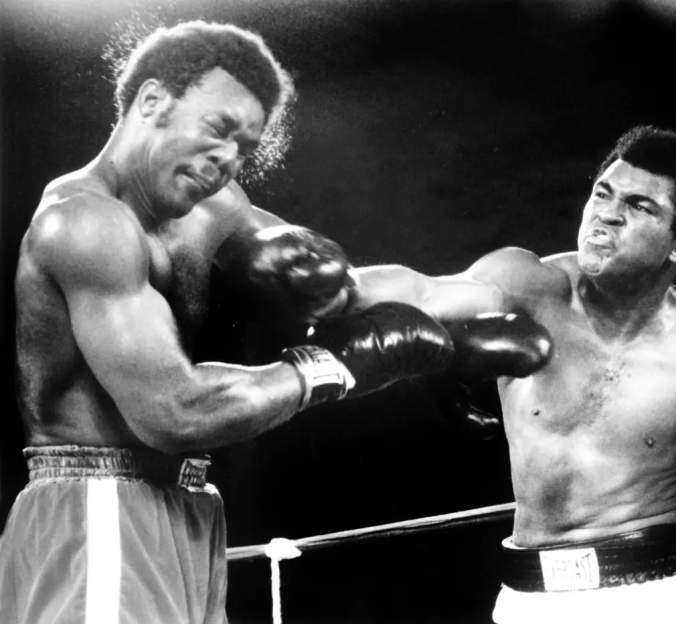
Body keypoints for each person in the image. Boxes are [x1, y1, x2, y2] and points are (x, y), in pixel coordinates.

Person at [0, 20, 480, 624]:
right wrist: (334, 367)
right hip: (97, 508)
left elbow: (346, 290)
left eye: (244, 149)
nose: (227, 160)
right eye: (217, 130)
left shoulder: (213, 208)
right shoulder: (84, 223)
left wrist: (466, 326)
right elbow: (174, 412)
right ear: (151, 102)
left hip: (190, 509)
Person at [350, 126, 676, 623]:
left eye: (640, 207)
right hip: (525, 597)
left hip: (652, 594)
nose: (607, 213)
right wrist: (342, 287)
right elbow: (423, 293)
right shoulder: (524, 287)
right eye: (603, 192)